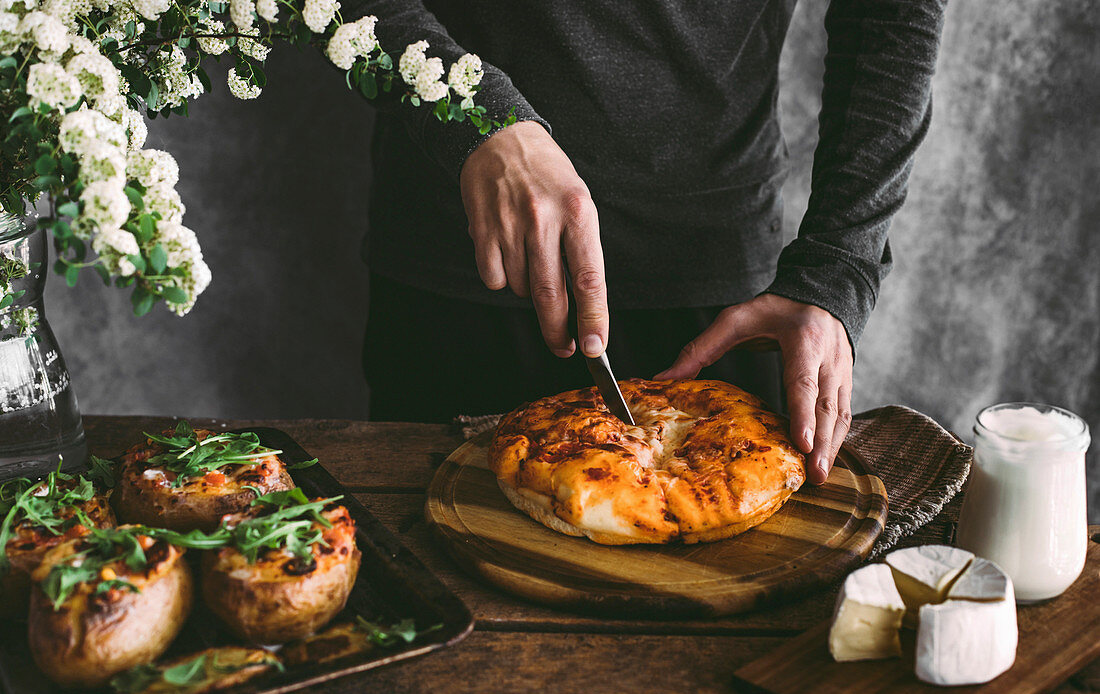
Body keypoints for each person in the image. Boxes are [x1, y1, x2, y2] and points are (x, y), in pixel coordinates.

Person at [351, 1, 948, 486]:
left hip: (725, 310)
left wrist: (839, 265)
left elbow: (891, 15)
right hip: (460, 264)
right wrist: (471, 115)